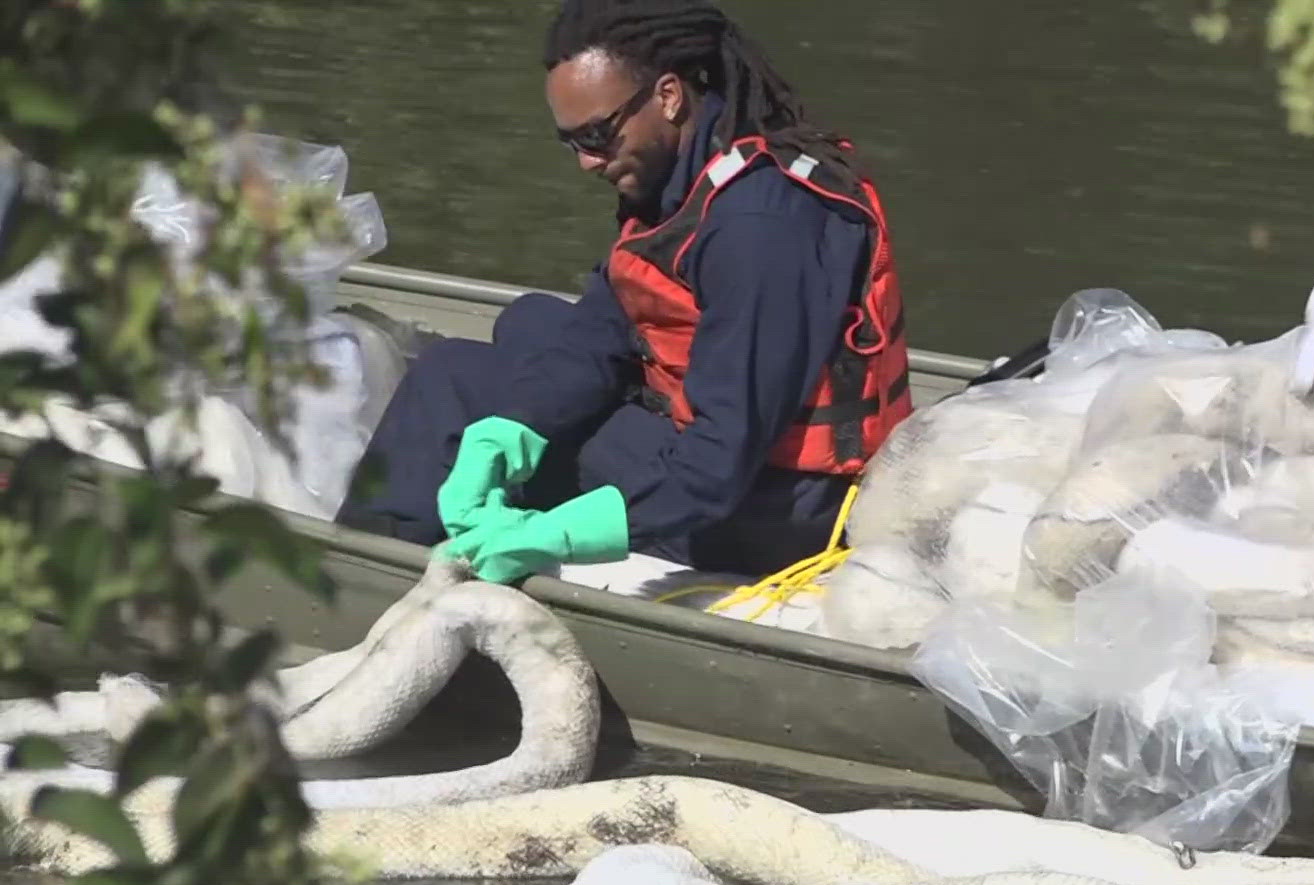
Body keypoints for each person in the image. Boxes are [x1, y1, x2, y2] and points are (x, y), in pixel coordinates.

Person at [336, 0, 912, 585]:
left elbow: (717, 465)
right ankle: (433, 524)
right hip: (718, 444)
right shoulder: (688, 170)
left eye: (598, 135)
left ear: (667, 95)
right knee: (529, 322)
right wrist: (515, 425)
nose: (588, 162)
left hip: (773, 505)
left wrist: (553, 534)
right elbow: (605, 324)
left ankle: (368, 578)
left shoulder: (760, 225)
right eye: (573, 143)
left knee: (451, 379)